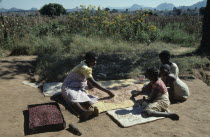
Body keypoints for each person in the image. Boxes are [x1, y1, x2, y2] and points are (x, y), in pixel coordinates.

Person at [61, 51, 115, 121]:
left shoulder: (86, 64)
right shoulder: (84, 67)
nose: (95, 62)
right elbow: (93, 82)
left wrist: (90, 86)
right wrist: (108, 91)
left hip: (78, 86)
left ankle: (92, 108)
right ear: (88, 60)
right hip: (68, 86)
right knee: (73, 97)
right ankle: (83, 112)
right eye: (93, 60)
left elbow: (87, 77)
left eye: (95, 60)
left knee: (84, 96)